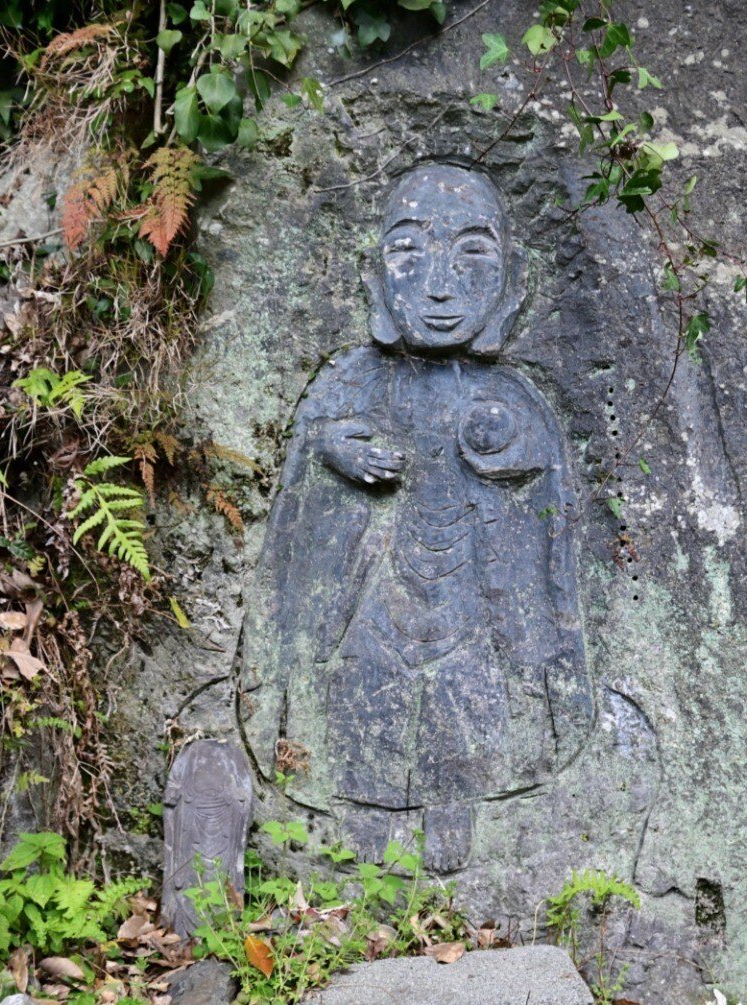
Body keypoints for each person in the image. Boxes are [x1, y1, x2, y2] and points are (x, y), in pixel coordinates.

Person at [246, 161, 590, 872]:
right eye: (409, 254)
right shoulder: (352, 379)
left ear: (512, 281)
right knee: (364, 704)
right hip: (371, 604)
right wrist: (332, 449)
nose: (438, 286)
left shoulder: (514, 392)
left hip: (472, 609)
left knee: (462, 719)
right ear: (374, 277)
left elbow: (546, 505)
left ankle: (455, 831)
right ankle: (364, 841)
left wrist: (511, 449)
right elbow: (302, 486)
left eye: (472, 256)